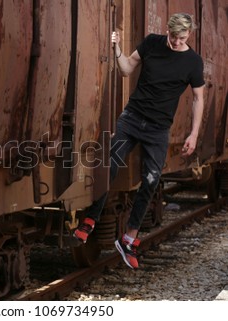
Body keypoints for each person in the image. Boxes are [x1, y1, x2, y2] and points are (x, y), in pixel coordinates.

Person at [73, 13, 205, 269]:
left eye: (182, 37)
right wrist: (117, 48)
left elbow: (199, 98)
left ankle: (129, 238)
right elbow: (125, 69)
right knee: (108, 165)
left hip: (158, 129)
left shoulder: (193, 62)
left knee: (152, 180)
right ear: (167, 31)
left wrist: (194, 133)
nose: (177, 42)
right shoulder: (151, 43)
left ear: (189, 34)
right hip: (132, 118)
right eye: (173, 36)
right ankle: (90, 220)